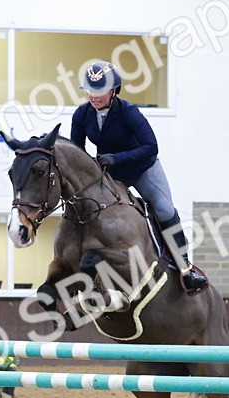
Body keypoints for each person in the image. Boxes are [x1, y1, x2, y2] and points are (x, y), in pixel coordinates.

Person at [70, 61, 209, 296]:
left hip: (143, 169)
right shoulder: (82, 114)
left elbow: (151, 147)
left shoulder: (128, 112)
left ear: (114, 90)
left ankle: (186, 268)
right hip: (111, 175)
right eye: (90, 90)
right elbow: (77, 150)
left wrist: (117, 158)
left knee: (164, 209)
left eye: (99, 90)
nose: (93, 96)